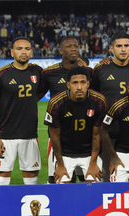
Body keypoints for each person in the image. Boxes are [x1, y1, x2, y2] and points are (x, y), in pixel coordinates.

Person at [91, 31, 129, 182]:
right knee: (108, 178)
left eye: (126, 46)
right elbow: (93, 97)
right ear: (111, 49)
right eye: (119, 46)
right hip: (109, 135)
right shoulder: (101, 70)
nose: (123, 49)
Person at [38, 36, 92, 184]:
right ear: (61, 50)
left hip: (85, 138)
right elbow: (35, 96)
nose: (74, 48)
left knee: (87, 181)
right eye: (69, 46)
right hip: (59, 136)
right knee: (58, 180)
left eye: (76, 46)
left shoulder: (89, 73)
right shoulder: (50, 73)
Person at [0, 37, 43, 185]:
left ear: (31, 52)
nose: (23, 52)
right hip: (5, 136)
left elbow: (41, 91)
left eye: (27, 49)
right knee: (2, 183)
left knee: (32, 184)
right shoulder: (0, 74)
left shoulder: (37, 71)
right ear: (12, 52)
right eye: (19, 49)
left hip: (30, 136)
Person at [44, 66, 106, 183]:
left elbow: (96, 135)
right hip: (65, 153)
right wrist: (61, 165)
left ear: (88, 84)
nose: (79, 87)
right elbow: (54, 136)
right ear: (68, 85)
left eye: (82, 82)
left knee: (93, 189)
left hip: (89, 153)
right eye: (75, 83)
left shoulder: (99, 101)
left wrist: (93, 163)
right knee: (63, 190)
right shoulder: (56, 103)